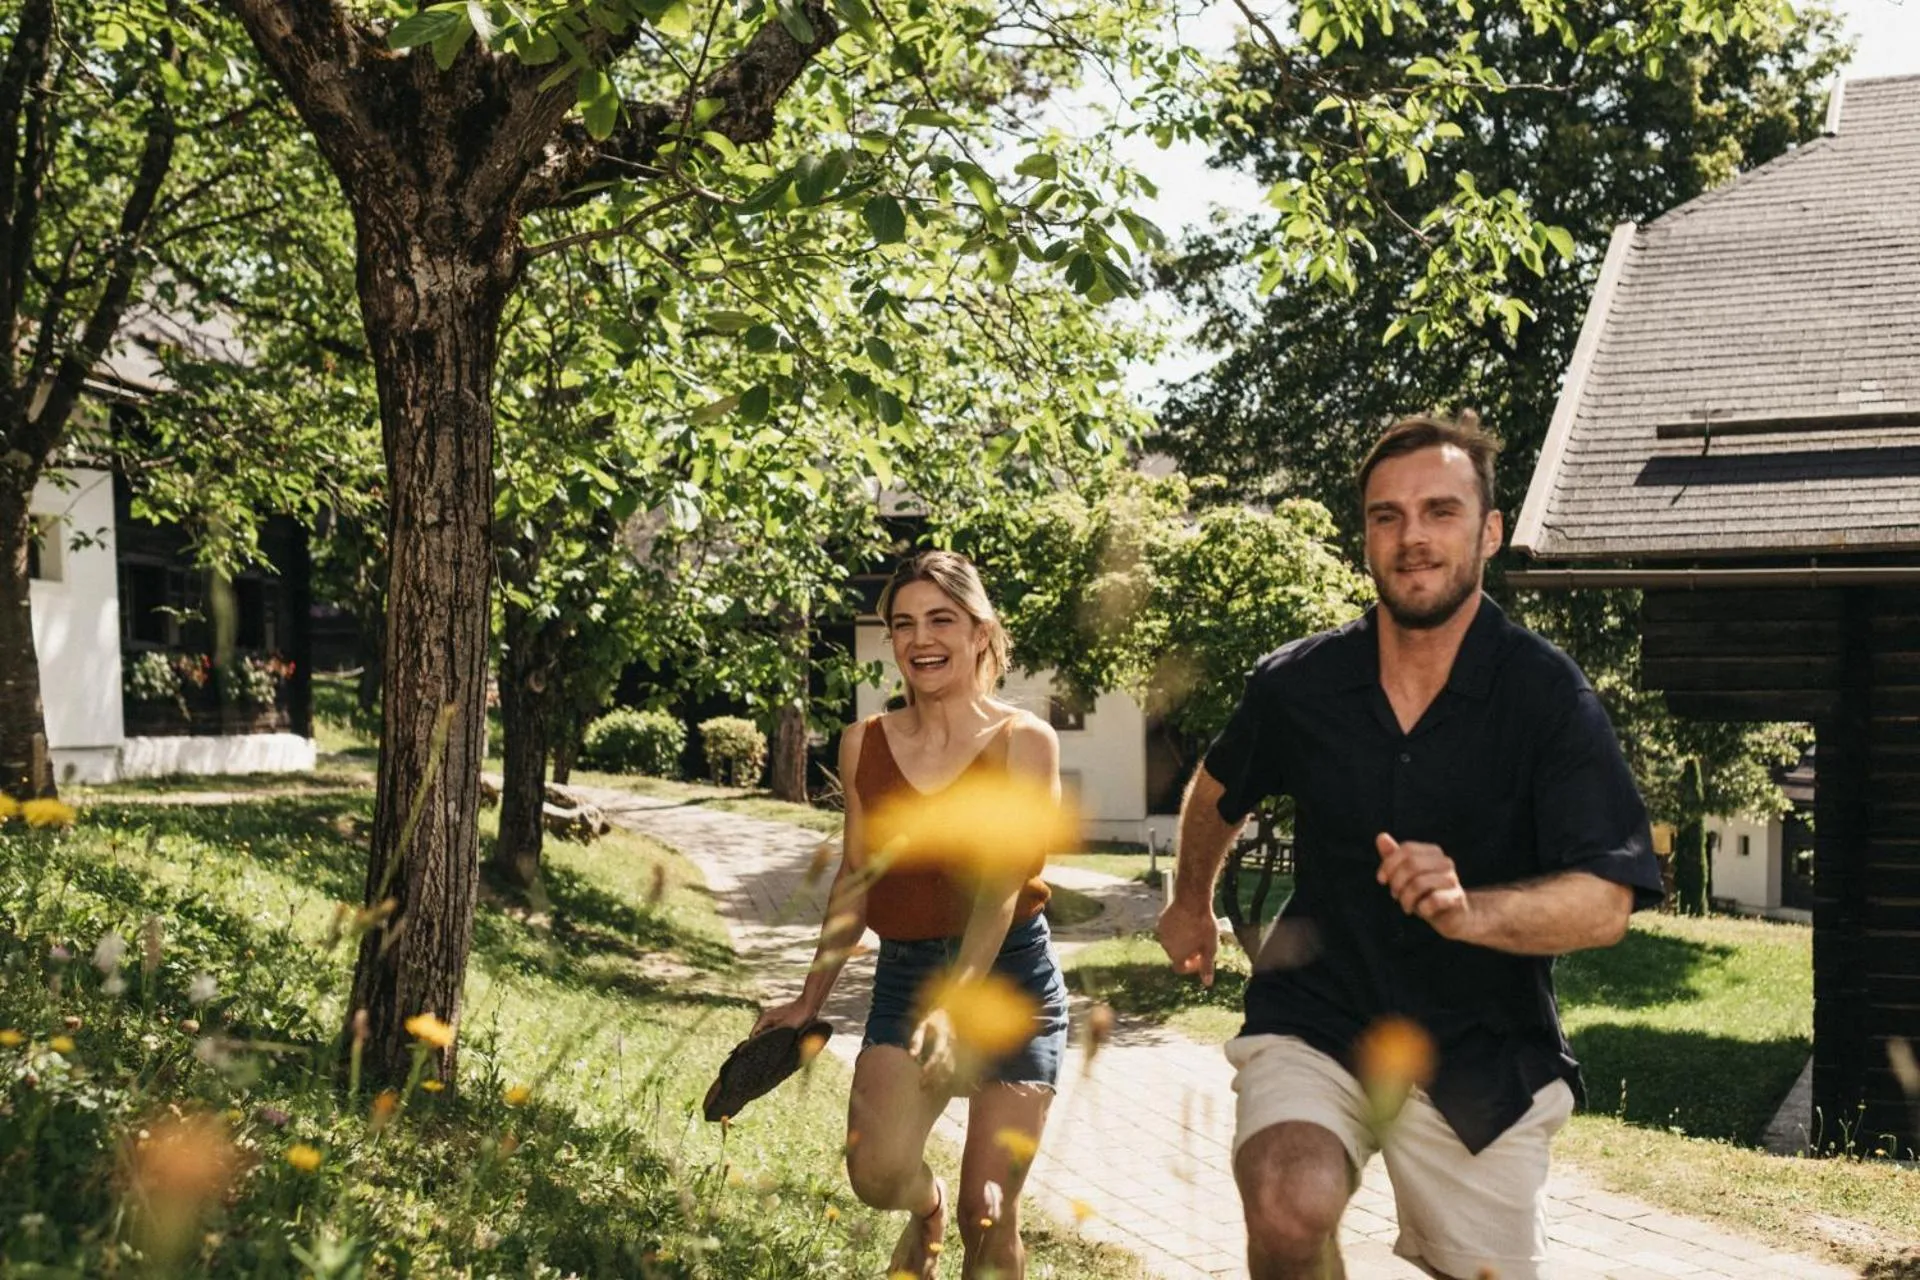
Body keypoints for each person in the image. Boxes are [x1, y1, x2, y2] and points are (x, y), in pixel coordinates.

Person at [1157, 413, 1665, 1280]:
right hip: (1319, 1016)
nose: (1412, 537)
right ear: (1364, 538)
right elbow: (1218, 786)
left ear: (1489, 532)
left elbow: (1605, 901)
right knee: (1286, 1200)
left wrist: (1471, 912)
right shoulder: (1299, 684)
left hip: (1482, 1050)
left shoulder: (1547, 696)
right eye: (1386, 516)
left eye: (1440, 511)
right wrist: (1189, 901)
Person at [754, 549, 1069, 1280]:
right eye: (904, 624)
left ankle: (964, 1224)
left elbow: (1000, 889)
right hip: (906, 978)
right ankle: (926, 1210)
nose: (921, 639)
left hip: (1011, 979)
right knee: (876, 1171)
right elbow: (855, 880)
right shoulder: (865, 743)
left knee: (988, 1209)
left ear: (980, 631)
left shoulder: (1026, 743)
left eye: (941, 620)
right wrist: (808, 1000)